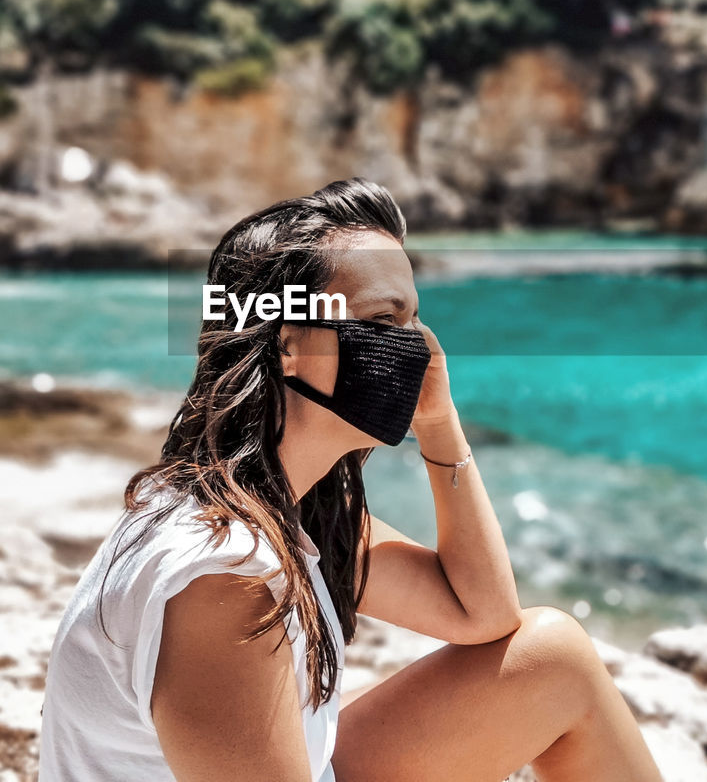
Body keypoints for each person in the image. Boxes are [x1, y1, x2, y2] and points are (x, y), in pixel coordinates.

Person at [38, 178, 664, 782]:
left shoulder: (269, 503)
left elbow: (483, 612)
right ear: (287, 344)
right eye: (383, 320)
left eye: (415, 321)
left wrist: (440, 425)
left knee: (553, 657)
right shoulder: (224, 579)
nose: (416, 347)